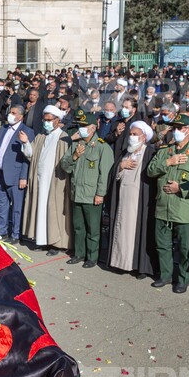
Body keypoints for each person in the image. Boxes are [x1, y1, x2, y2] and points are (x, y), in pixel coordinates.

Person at [146, 114, 189, 293]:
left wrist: (180, 188)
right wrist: (168, 162)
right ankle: (165, 275)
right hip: (163, 205)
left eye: (179, 128)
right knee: (162, 243)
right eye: (174, 128)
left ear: (188, 130)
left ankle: (183, 278)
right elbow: (150, 171)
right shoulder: (165, 150)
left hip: (183, 207)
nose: (176, 131)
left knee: (184, 246)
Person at [59, 110, 113, 268]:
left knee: (93, 229)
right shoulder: (77, 144)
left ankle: (92, 257)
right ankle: (79, 253)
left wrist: (100, 194)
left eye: (84, 125)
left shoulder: (102, 148)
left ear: (93, 127)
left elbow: (105, 174)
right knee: (78, 226)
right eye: (80, 125)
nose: (81, 128)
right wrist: (75, 156)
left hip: (92, 195)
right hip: (77, 192)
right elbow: (64, 166)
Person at [107, 121, 158, 279]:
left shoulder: (149, 152)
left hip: (140, 200)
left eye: (135, 134)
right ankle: (121, 263)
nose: (132, 137)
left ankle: (139, 267)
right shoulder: (125, 153)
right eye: (130, 134)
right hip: (123, 198)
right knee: (122, 230)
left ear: (144, 137)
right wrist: (121, 166)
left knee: (139, 233)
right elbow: (114, 173)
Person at [22, 106, 73, 255]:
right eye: (45, 120)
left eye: (49, 120)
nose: (46, 123)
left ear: (57, 121)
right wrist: (25, 142)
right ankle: (42, 240)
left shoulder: (63, 138)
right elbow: (31, 154)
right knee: (41, 210)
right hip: (40, 181)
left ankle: (56, 244)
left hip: (55, 181)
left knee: (53, 211)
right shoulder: (41, 136)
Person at [0, 105, 33, 243]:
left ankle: (16, 234)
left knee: (17, 207)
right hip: (1, 173)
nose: (10, 115)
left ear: (20, 116)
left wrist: (23, 177)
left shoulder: (26, 131)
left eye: (14, 113)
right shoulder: (3, 128)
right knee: (1, 204)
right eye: (10, 112)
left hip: (15, 175)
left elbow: (27, 157)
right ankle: (1, 231)